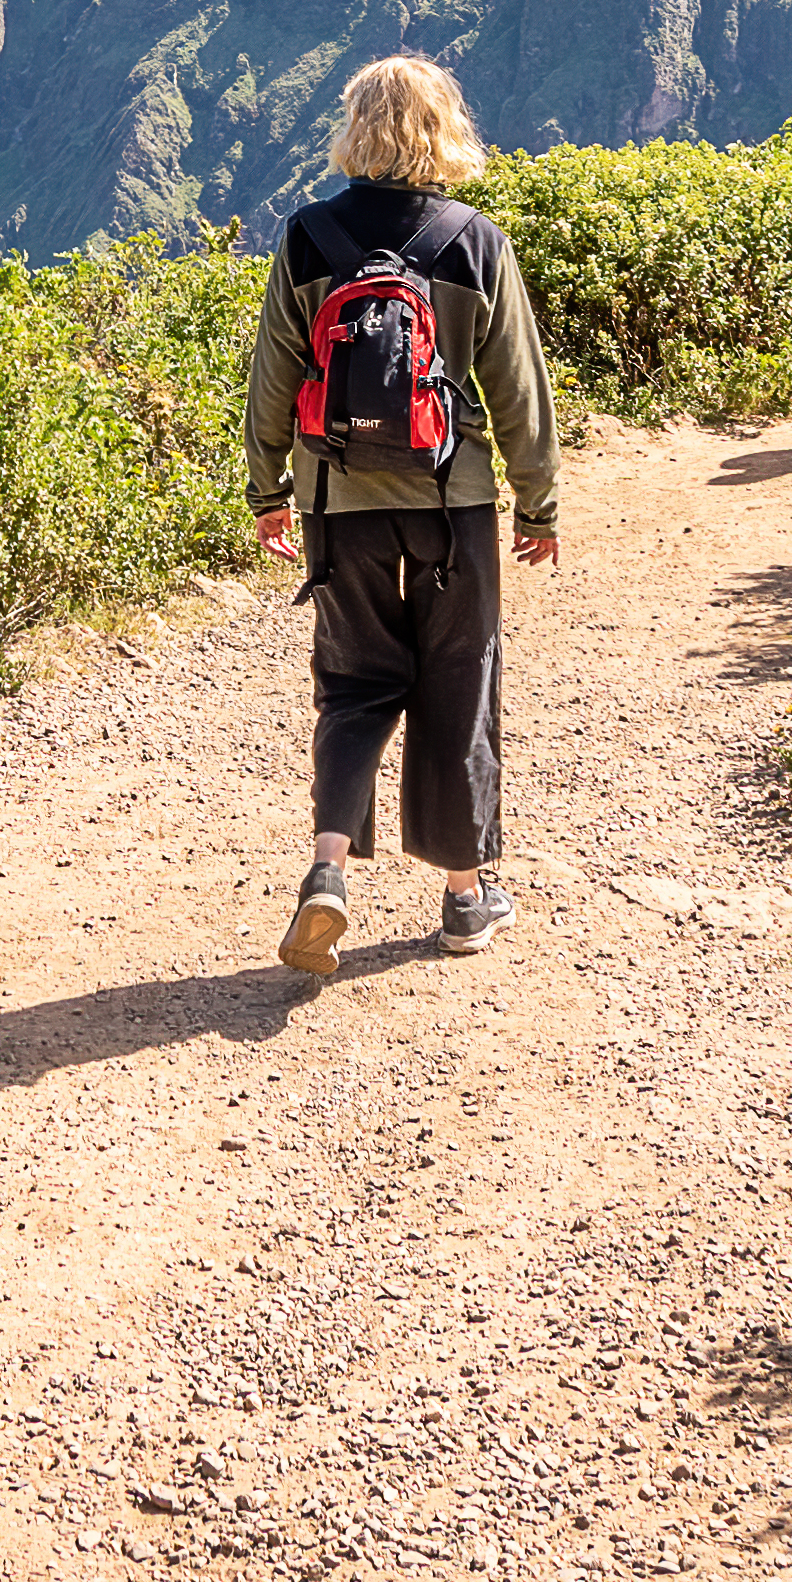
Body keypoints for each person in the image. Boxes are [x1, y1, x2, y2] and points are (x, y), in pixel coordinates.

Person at [240, 54, 562, 974]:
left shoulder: (308, 238)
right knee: (460, 685)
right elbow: (518, 392)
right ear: (441, 128)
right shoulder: (474, 240)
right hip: (451, 504)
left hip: (339, 502)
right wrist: (537, 505)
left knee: (351, 685)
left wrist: (270, 491)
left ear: (357, 130)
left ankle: (328, 872)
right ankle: (466, 899)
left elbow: (273, 381)